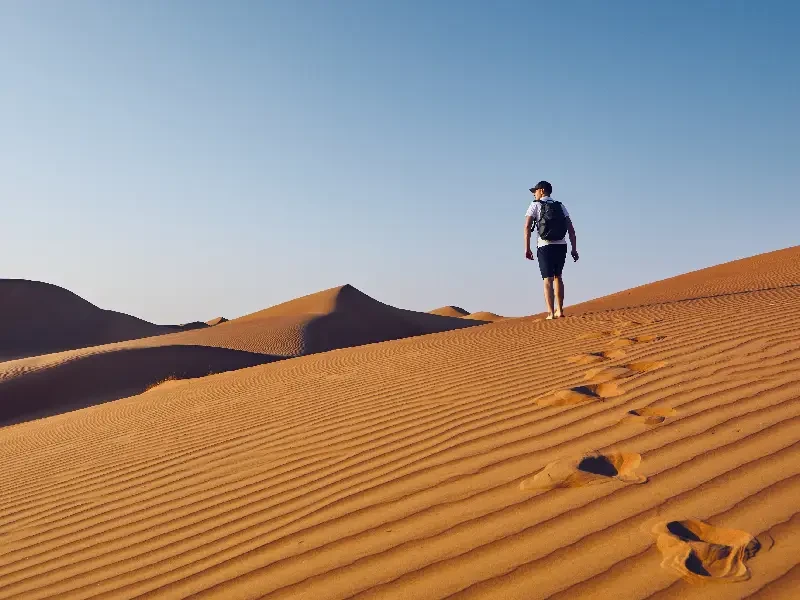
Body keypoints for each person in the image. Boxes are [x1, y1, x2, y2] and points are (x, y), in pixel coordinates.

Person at [524, 180, 579, 319]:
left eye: (535, 191)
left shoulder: (535, 205)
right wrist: (574, 249)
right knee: (558, 277)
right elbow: (571, 229)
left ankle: (550, 312)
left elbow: (527, 227)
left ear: (541, 190)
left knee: (547, 280)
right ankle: (560, 310)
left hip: (545, 245)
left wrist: (527, 248)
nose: (534, 194)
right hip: (561, 245)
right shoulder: (560, 205)